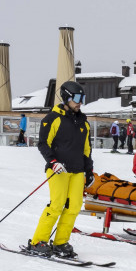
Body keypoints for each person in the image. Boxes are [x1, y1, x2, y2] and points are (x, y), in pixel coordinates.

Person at [27, 81, 93, 257]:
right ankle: (38, 241)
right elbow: (43, 144)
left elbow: (86, 149)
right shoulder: (53, 118)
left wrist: (89, 171)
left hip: (77, 170)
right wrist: (53, 161)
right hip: (58, 169)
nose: (80, 102)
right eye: (77, 98)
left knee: (75, 206)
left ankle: (60, 242)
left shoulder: (83, 123)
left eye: (82, 98)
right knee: (57, 204)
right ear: (66, 98)